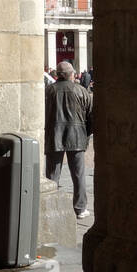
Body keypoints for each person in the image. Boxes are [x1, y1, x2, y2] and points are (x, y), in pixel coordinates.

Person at [43, 61, 93, 219]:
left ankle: (51, 207)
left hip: (54, 135)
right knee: (78, 175)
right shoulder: (81, 90)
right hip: (76, 135)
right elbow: (91, 116)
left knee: (52, 175)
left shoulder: (49, 91)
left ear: (57, 75)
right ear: (72, 74)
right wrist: (86, 134)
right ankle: (80, 208)